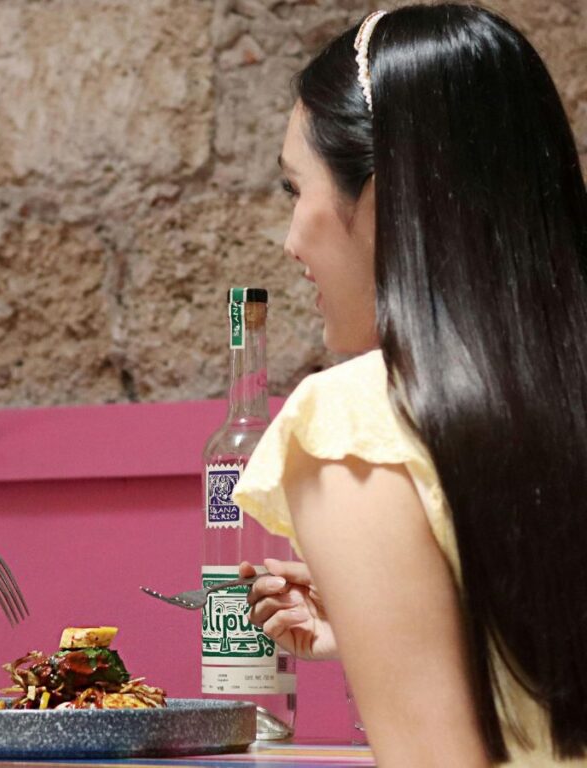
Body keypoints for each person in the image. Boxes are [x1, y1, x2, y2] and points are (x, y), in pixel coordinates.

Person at [228, 4, 587, 766]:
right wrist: (413, 628)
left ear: (388, 193)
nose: (292, 242)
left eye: (298, 190)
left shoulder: (351, 424)